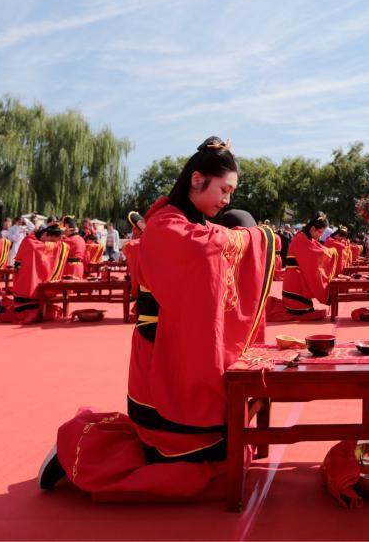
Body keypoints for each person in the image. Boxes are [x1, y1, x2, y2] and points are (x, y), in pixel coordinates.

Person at [39, 136, 277, 501]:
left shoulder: (190, 221)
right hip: (163, 355)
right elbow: (208, 247)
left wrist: (244, 236)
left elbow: (215, 245)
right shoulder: (168, 223)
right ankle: (81, 453)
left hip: (187, 345)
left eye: (231, 192)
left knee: (219, 453)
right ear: (197, 180)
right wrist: (254, 238)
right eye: (224, 190)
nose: (227, 200)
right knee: (184, 462)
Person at [266, 213, 339, 322]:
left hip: (298, 277)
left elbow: (319, 248)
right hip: (295, 279)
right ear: (313, 228)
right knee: (300, 310)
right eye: (320, 232)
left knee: (305, 309)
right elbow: (316, 253)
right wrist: (331, 252)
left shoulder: (307, 237)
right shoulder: (301, 238)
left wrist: (330, 251)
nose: (320, 235)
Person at [0, 226, 69, 324]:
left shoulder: (41, 241)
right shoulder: (29, 241)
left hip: (36, 277)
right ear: (45, 234)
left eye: (53, 242)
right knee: (26, 314)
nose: (50, 244)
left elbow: (62, 246)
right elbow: (38, 248)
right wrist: (57, 245)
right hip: (25, 278)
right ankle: (3, 308)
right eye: (50, 240)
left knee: (47, 313)